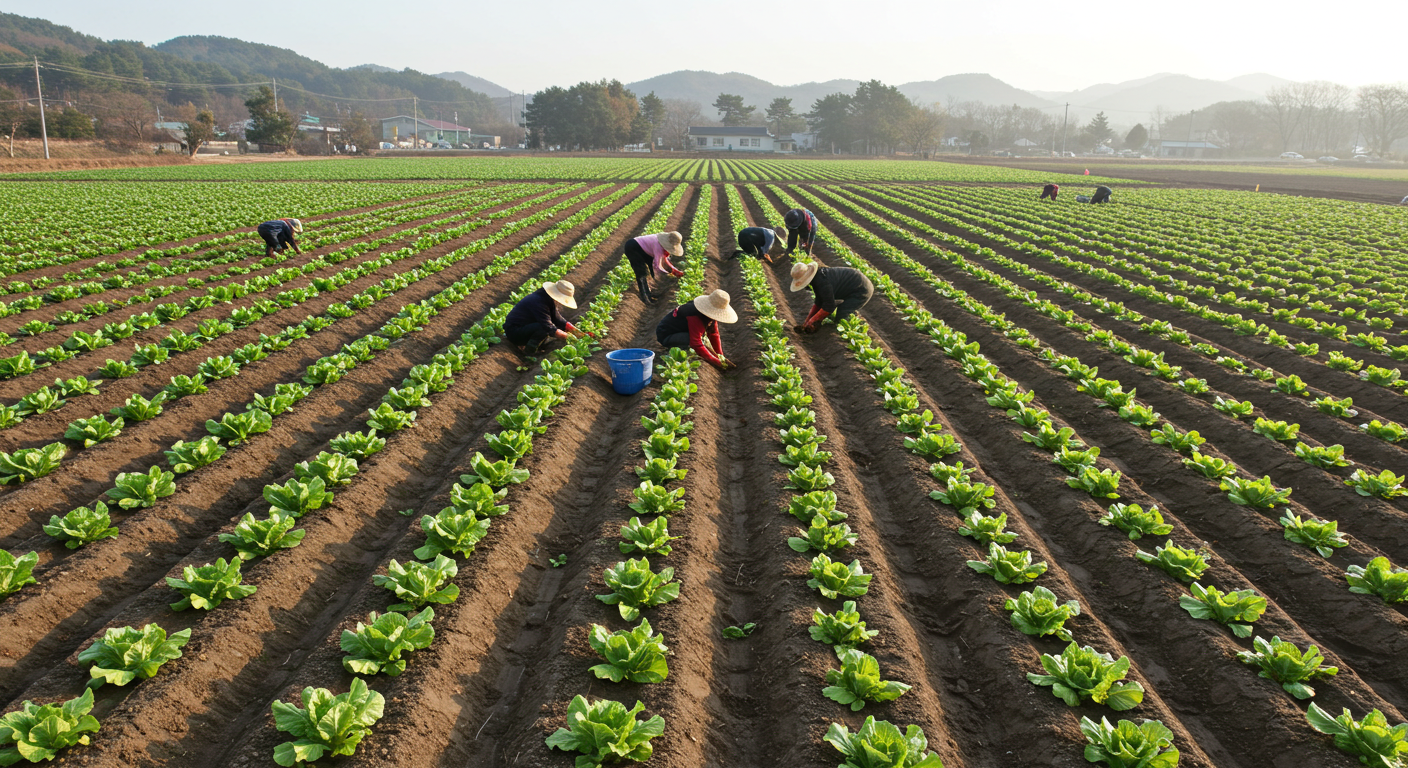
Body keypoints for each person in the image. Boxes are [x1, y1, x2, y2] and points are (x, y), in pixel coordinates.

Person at [656, 289, 738, 371]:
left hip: (683, 331)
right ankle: (677, 351)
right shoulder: (694, 315)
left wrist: (720, 356)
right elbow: (696, 343)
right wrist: (717, 362)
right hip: (667, 336)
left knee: (703, 341)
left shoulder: (710, 315)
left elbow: (713, 334)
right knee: (693, 341)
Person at [503, 280, 592, 355]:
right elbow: (549, 327)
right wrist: (571, 338)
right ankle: (529, 352)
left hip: (524, 327)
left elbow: (557, 319)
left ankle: (535, 345)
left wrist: (578, 333)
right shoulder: (538, 301)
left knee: (546, 328)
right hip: (514, 332)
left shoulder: (546, 298)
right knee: (543, 328)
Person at [789, 261, 873, 334]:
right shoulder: (817, 279)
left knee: (842, 315)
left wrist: (812, 321)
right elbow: (819, 302)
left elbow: (829, 306)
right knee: (840, 310)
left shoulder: (822, 282)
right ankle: (851, 314)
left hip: (861, 289)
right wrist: (806, 322)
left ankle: (857, 325)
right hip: (853, 286)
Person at [625, 231, 685, 304]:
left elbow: (665, 260)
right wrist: (668, 274)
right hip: (632, 247)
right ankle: (645, 297)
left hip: (644, 249)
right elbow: (657, 265)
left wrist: (674, 270)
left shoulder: (662, 244)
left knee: (649, 269)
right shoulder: (658, 246)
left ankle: (649, 294)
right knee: (641, 273)